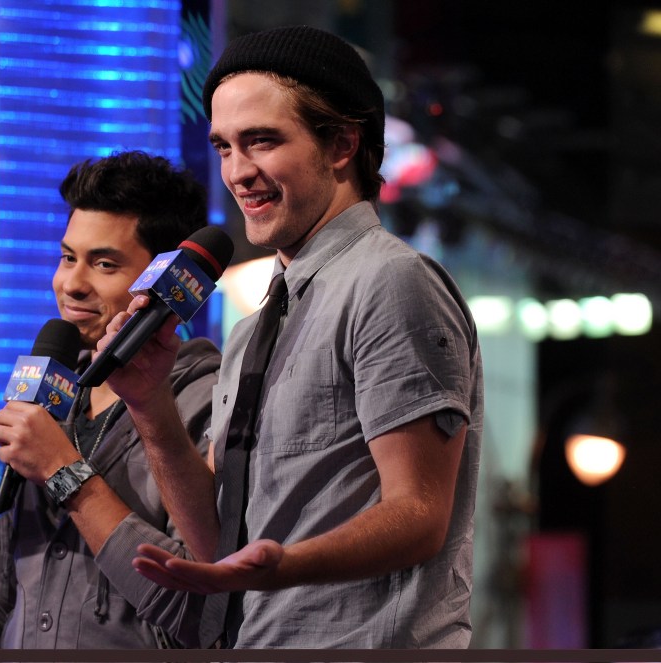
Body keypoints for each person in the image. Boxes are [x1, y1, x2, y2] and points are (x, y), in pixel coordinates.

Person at [98, 25, 484, 648]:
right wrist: (149, 402)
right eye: (223, 147)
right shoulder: (252, 328)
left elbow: (419, 515)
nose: (237, 172)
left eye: (261, 141)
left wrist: (285, 566)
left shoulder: (390, 281)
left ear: (342, 145)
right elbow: (217, 544)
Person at [0, 150, 220, 649]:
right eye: (67, 258)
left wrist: (62, 470)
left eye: (104, 264)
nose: (72, 284)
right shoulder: (41, 393)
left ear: (163, 281)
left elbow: (202, 608)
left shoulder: (206, 400)